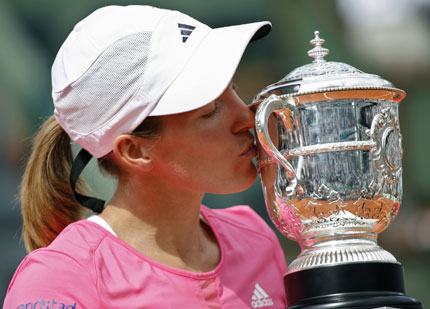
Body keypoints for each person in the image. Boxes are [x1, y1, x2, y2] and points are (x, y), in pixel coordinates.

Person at [4, 5, 287, 308]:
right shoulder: (61, 278)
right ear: (134, 151)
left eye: (233, 88)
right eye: (210, 110)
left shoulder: (255, 237)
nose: (247, 117)